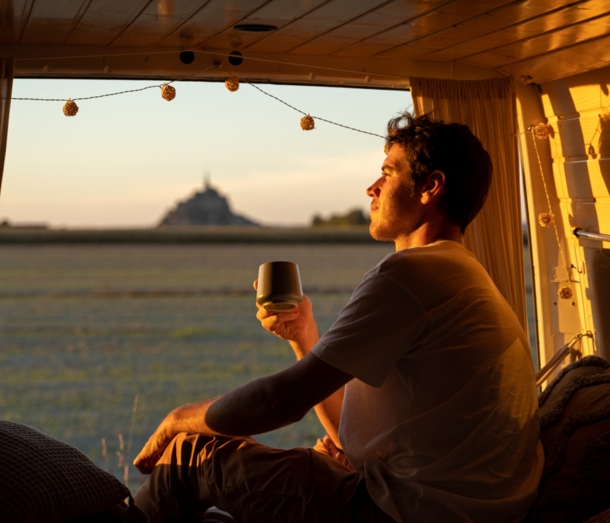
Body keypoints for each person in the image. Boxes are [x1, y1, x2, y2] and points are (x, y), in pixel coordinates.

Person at [133, 113, 543, 523]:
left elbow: (281, 402)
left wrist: (176, 420)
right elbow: (349, 438)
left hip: (404, 512)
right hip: (449, 508)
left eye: (388, 173)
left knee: (191, 456)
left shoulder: (410, 274)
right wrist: (303, 335)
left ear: (430, 187)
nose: (372, 188)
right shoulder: (463, 274)